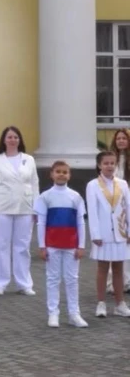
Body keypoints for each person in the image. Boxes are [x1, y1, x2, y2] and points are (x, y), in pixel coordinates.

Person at [34, 160, 88, 328]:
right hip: (53, 244)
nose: (61, 174)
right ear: (51, 174)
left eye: (65, 172)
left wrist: (81, 246)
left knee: (72, 279)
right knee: (53, 279)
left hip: (71, 244)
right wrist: (42, 246)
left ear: (69, 175)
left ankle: (74, 313)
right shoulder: (45, 197)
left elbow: (81, 222)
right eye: (58, 171)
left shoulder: (76, 197)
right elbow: (41, 223)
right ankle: (53, 313)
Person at [0, 126, 38, 296]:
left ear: (20, 140)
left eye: (15, 137)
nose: (12, 140)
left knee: (22, 247)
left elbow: (34, 183)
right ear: (4, 140)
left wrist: (36, 208)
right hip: (2, 207)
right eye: (9, 137)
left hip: (25, 207)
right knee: (1, 246)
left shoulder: (29, 159)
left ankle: (24, 283)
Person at [86, 150, 130, 318]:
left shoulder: (123, 184)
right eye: (106, 163)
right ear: (99, 165)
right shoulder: (93, 185)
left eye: (112, 163)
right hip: (103, 235)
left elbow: (128, 207)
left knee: (118, 269)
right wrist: (95, 234)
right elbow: (92, 210)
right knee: (102, 268)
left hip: (120, 233)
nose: (109, 166)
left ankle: (120, 304)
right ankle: (101, 303)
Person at [107, 128, 130, 294]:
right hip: (113, 206)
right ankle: (111, 283)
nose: (121, 141)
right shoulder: (110, 161)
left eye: (124, 138)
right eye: (118, 138)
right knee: (113, 242)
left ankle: (126, 281)